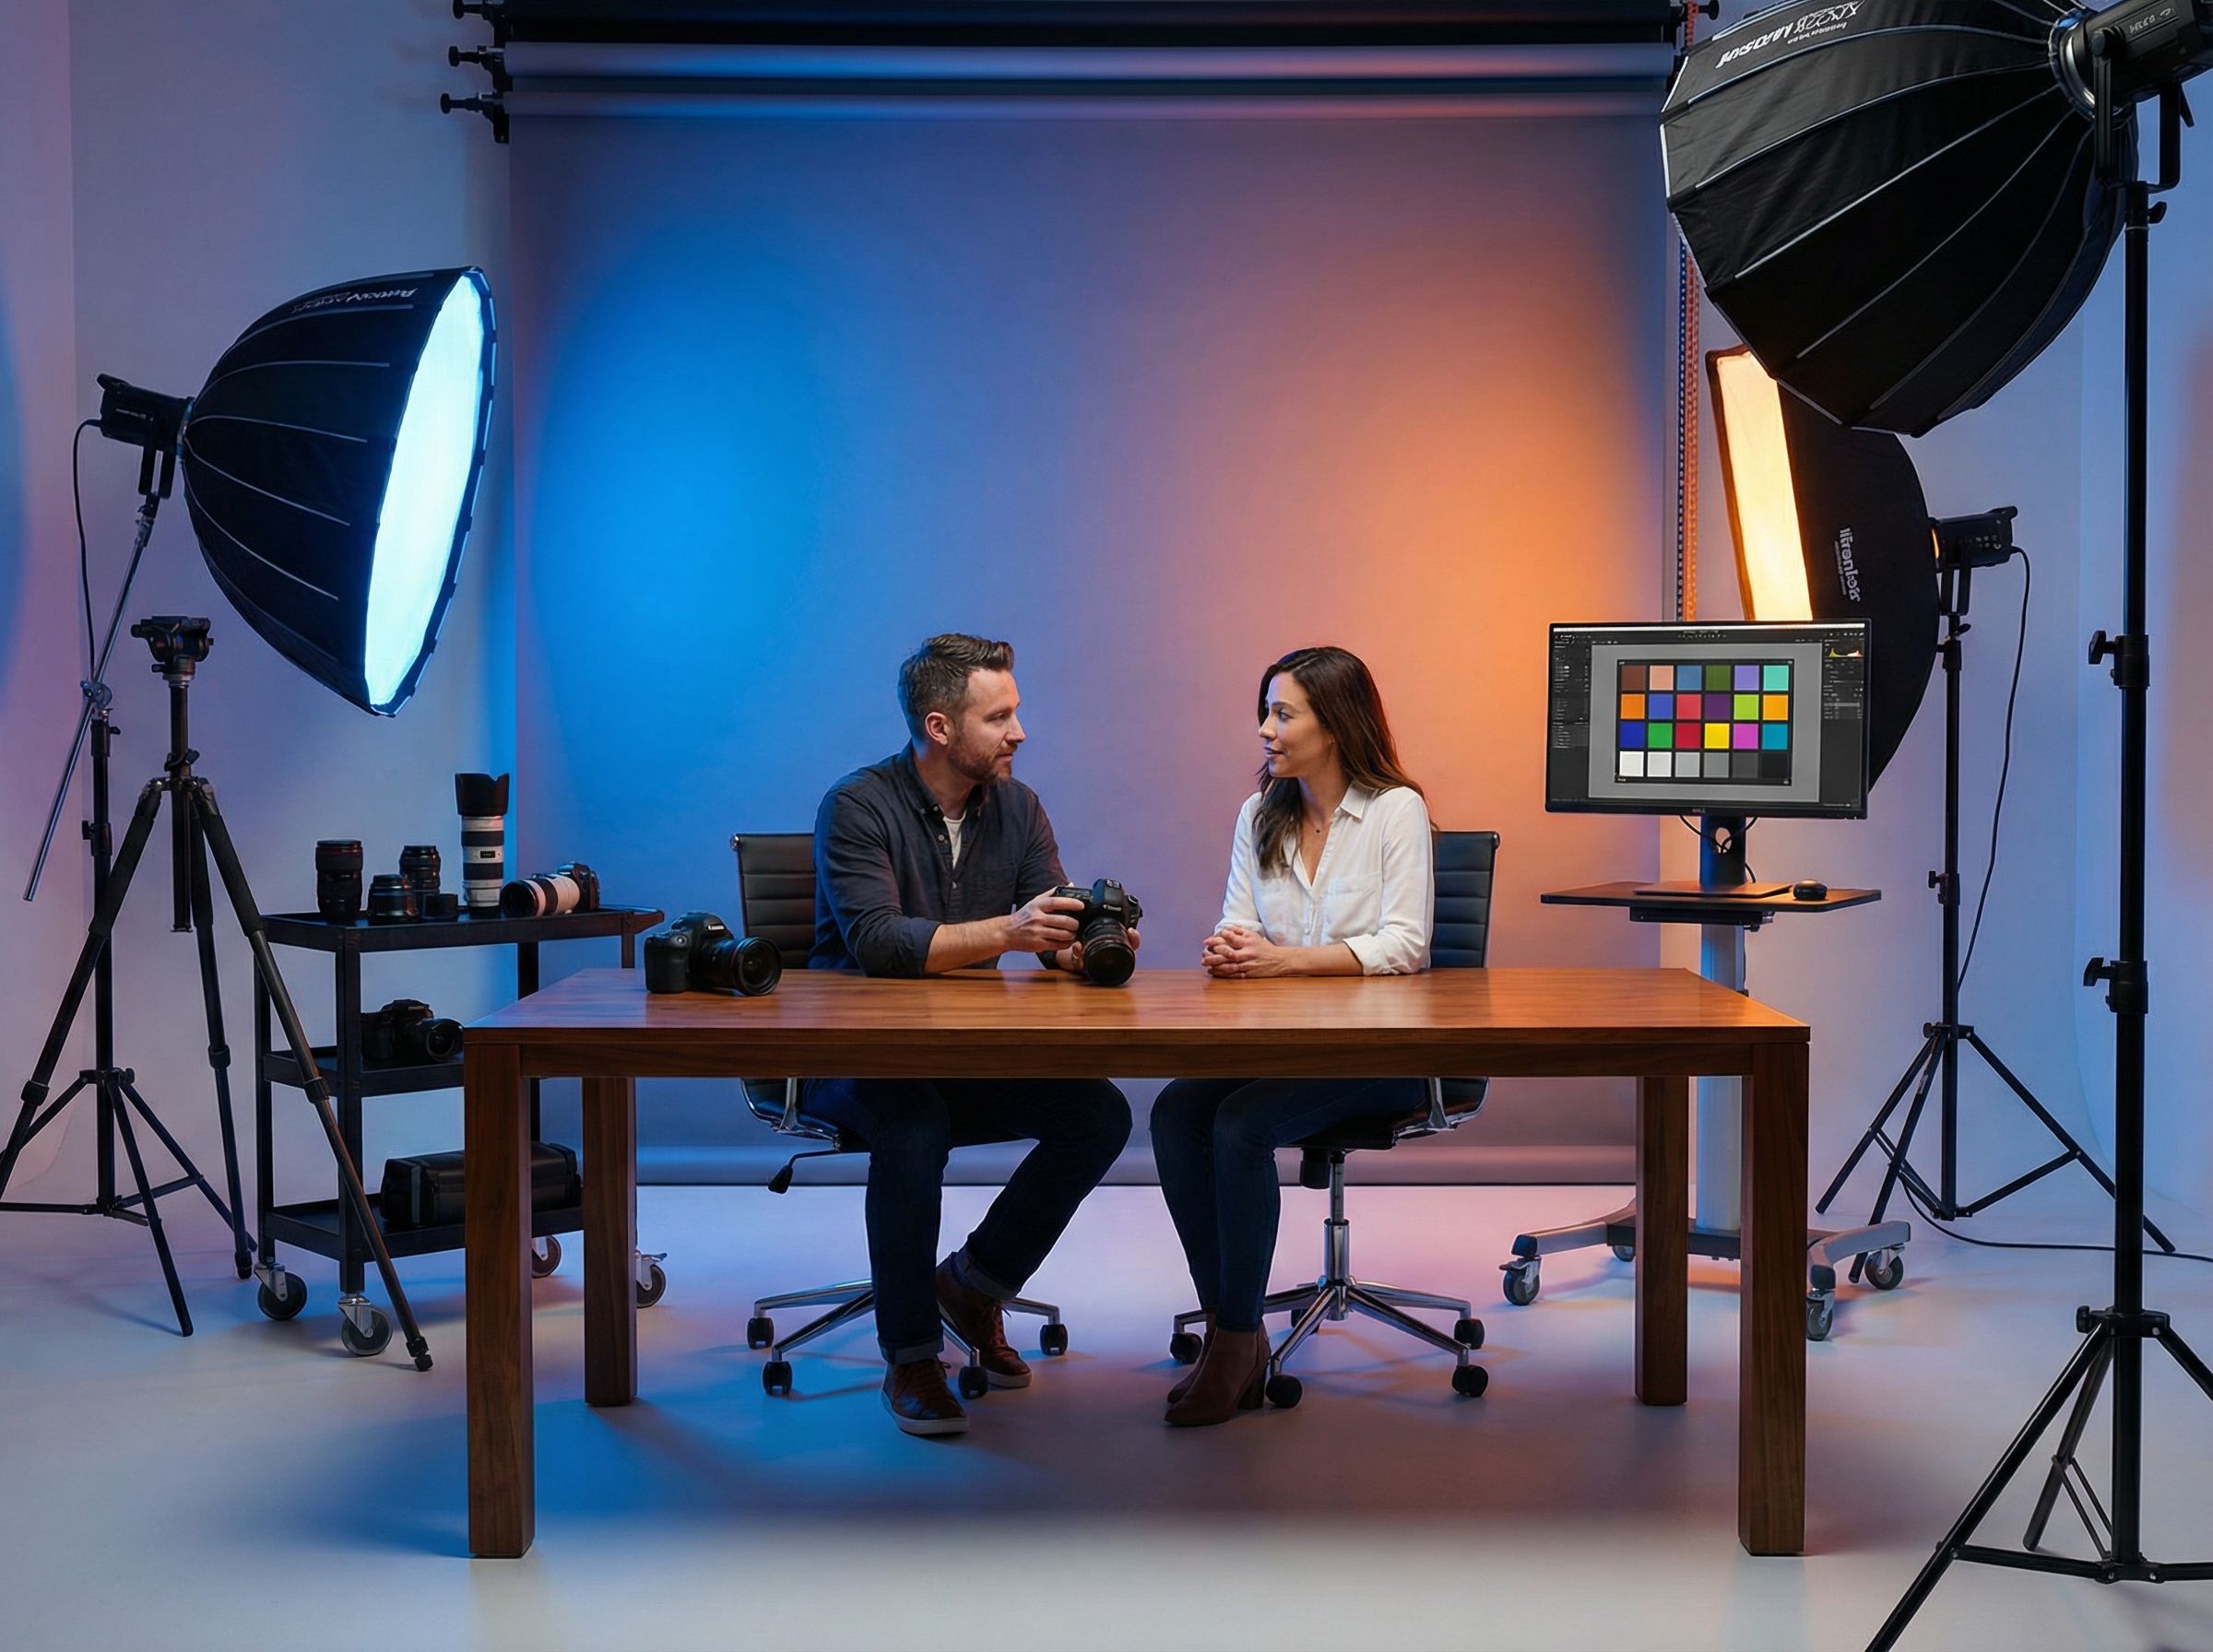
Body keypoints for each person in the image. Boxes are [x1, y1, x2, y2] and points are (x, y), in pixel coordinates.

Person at [809, 632, 1134, 1437]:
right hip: (853, 1057)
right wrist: (1013, 930)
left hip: (967, 1053)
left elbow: (1042, 923)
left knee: (1099, 1116)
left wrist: (1086, 946)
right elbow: (880, 944)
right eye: (1000, 717)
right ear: (941, 727)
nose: (1019, 732)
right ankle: (912, 1355)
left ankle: (974, 1284)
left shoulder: (1017, 805)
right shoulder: (856, 806)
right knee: (913, 1126)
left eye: (1015, 713)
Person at [1150, 645, 1434, 1427]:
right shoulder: (1260, 813)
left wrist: (1283, 962)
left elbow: (1405, 946)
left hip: (1382, 1057)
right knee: (1176, 1113)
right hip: (1282, 1051)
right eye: (1266, 712)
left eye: (1284, 713)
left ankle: (1238, 1347)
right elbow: (1238, 920)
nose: (1266, 729)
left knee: (1242, 1124)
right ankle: (1227, 1327)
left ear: (1335, 725)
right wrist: (1234, 949)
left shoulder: (1394, 811)